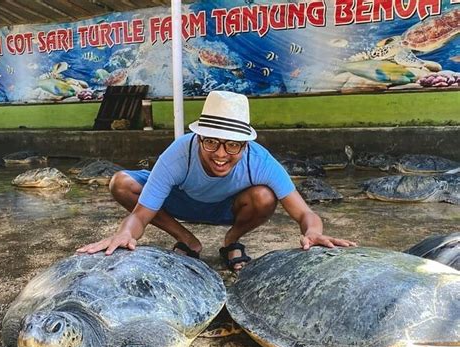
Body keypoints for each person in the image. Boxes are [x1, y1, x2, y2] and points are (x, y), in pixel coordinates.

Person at [77, 91, 356, 270]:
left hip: (226, 207)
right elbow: (140, 215)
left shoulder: (259, 160)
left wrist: (313, 232)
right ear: (198, 138)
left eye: (232, 145)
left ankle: (231, 241)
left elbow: (304, 212)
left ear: (245, 145)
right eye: (211, 142)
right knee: (120, 182)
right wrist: (125, 233)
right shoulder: (179, 153)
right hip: (179, 201)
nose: (221, 154)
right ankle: (187, 240)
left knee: (265, 196)